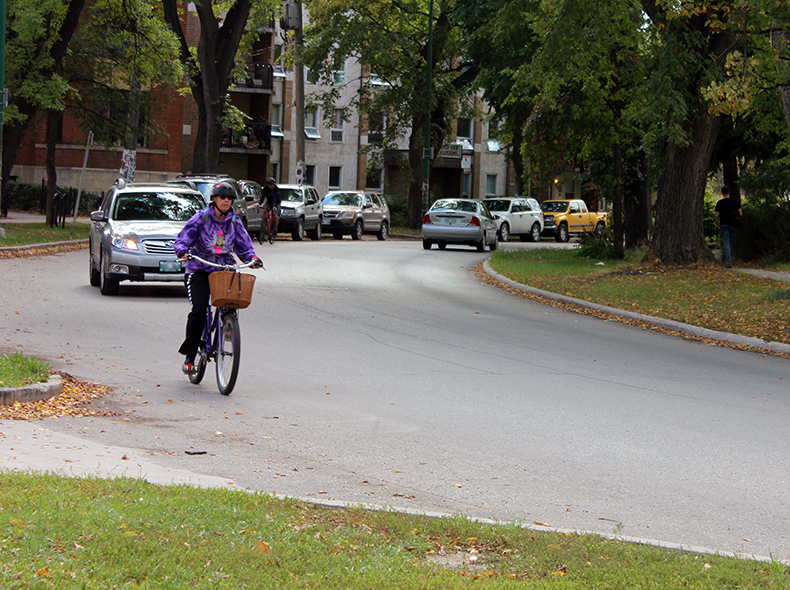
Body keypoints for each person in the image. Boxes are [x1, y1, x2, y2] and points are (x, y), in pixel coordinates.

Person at [175, 182, 262, 374]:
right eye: (222, 197)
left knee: (231, 302)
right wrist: (183, 251)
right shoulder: (202, 218)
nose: (226, 201)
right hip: (198, 268)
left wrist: (252, 258)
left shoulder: (234, 221)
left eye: (229, 198)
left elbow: (244, 245)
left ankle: (227, 328)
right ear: (214, 199)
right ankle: (190, 357)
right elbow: (183, 239)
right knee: (198, 310)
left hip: (223, 268)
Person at [714, 185, 742, 268]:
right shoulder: (735, 202)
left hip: (724, 224)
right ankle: (723, 260)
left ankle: (729, 262)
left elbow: (716, 215)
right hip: (733, 224)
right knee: (729, 243)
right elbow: (741, 213)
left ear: (722, 193)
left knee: (726, 244)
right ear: (729, 192)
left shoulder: (720, 203)